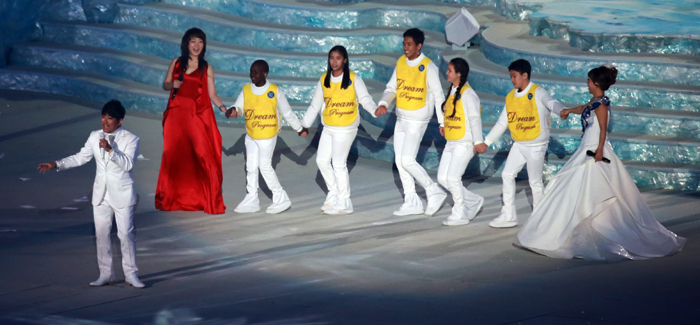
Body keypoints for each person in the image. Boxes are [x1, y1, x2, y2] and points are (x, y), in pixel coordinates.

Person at [515, 65, 686, 260]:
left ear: (596, 83)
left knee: (595, 189)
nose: (586, 83)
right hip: (585, 148)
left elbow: (603, 130)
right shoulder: (595, 101)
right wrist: (568, 110)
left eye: (588, 80)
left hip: (595, 150)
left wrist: (598, 150)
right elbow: (583, 109)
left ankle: (598, 229)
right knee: (571, 187)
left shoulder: (602, 105)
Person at [38, 100, 144, 288]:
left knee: (125, 235)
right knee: (101, 234)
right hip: (100, 195)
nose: (105, 121)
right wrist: (56, 164)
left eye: (110, 118)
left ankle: (131, 274)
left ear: (120, 121)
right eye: (103, 117)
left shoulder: (131, 139)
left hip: (122, 194)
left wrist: (111, 150)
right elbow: (80, 157)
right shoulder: (95, 136)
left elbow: (128, 165)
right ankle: (105, 274)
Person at [474, 59, 565, 228]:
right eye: (511, 77)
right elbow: (503, 122)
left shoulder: (538, 92)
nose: (513, 80)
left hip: (536, 145)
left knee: (535, 182)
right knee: (507, 175)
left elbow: (551, 103)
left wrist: (562, 111)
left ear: (525, 75)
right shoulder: (511, 97)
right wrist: (486, 142)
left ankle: (541, 218)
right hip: (519, 144)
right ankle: (509, 215)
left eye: (515, 76)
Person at [300, 45, 383, 214]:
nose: (334, 61)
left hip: (346, 128)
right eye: (332, 58)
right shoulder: (324, 79)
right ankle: (333, 194)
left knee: (338, 164)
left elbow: (365, 99)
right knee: (322, 161)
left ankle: (345, 202)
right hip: (328, 127)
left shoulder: (354, 79)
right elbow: (315, 104)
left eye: (338, 58)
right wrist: (305, 125)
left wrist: (374, 110)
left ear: (345, 60)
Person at [155, 27, 229, 215]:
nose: (196, 45)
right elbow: (165, 84)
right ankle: (173, 199)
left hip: (195, 116)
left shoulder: (206, 67)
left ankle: (208, 199)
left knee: (203, 155)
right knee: (173, 155)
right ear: (186, 43)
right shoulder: (176, 63)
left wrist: (224, 109)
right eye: (193, 41)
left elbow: (212, 93)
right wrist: (172, 85)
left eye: (200, 42)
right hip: (175, 115)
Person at [375, 28, 447, 217]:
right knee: (400, 161)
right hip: (401, 118)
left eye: (409, 44)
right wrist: (383, 103)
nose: (405, 47)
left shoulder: (428, 67)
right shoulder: (400, 62)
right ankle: (411, 201)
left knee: (408, 159)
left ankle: (433, 190)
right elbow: (391, 88)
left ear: (419, 46)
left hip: (418, 119)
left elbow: (439, 96)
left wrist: (442, 122)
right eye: (404, 44)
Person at [226, 60, 307, 214]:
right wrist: (233, 111)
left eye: (256, 72)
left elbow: (287, 112)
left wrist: (299, 128)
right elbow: (239, 107)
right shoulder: (246, 90)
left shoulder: (275, 91)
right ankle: (252, 198)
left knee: (264, 166)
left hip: (267, 135)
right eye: (251, 72)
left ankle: (280, 197)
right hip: (251, 134)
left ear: (265, 74)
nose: (252, 75)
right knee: (250, 167)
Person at [437, 58, 485, 226]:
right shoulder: (453, 90)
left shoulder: (468, 94)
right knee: (442, 178)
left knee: (453, 178)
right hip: (451, 141)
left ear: (459, 73)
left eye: (450, 70)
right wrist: (445, 125)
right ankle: (473, 200)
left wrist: (478, 141)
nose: (447, 73)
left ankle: (460, 212)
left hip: (464, 143)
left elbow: (474, 118)